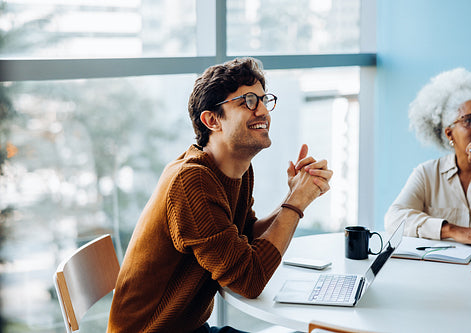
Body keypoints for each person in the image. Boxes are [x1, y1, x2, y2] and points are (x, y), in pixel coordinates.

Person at [107, 57, 333, 333]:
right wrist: (296, 204)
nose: (262, 111)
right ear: (212, 119)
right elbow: (249, 281)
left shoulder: (235, 170)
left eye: (264, 100)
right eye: (248, 101)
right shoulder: (192, 182)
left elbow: (246, 236)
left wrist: (295, 195)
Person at [385, 68, 471, 249]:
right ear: (449, 133)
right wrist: (452, 230)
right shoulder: (428, 173)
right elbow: (394, 219)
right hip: (438, 273)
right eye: (469, 120)